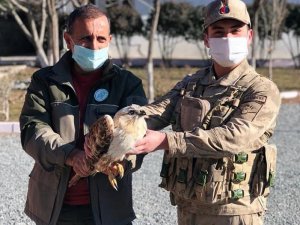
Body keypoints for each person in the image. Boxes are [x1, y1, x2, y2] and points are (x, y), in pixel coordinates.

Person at [127, 0, 281, 224]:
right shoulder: (193, 83)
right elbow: (158, 111)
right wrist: (122, 122)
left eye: (235, 31)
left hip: (233, 210)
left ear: (249, 36)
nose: (227, 38)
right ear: (206, 39)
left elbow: (233, 136)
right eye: (218, 32)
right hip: (189, 205)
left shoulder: (261, 89)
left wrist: (167, 141)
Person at [19, 4, 147, 225]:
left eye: (101, 39)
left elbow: (140, 136)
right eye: (85, 39)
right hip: (56, 208)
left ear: (110, 40)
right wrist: (70, 155)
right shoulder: (45, 81)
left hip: (109, 208)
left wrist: (119, 161)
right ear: (68, 41)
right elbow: (33, 130)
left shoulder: (128, 84)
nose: (94, 46)